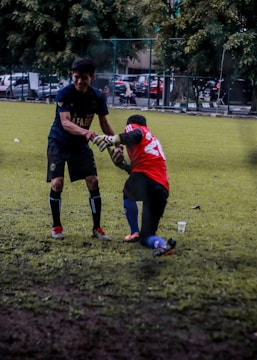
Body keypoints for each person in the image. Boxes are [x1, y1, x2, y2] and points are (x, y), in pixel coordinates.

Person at [47, 57, 122, 240]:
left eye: (84, 78)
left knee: (93, 181)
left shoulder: (97, 97)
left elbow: (104, 122)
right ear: (72, 75)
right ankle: (56, 226)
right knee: (57, 184)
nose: (80, 81)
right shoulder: (63, 94)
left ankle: (97, 228)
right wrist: (87, 133)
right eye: (76, 77)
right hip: (59, 143)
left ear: (92, 78)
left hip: (80, 146)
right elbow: (65, 123)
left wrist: (116, 144)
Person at [93, 114, 176, 256]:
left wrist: (111, 139)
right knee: (147, 237)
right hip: (161, 189)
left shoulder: (137, 129)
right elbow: (138, 169)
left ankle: (134, 232)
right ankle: (163, 245)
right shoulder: (150, 139)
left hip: (147, 179)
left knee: (128, 192)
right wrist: (123, 165)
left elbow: (135, 134)